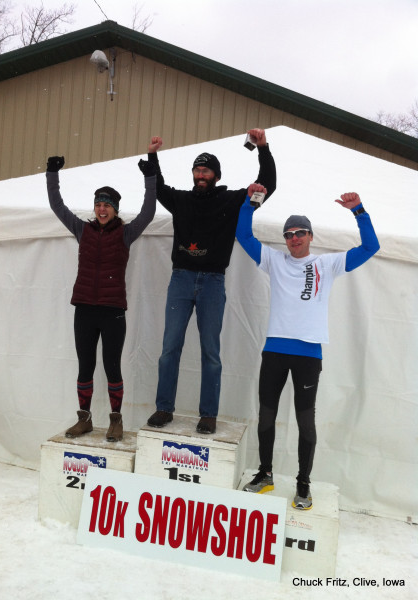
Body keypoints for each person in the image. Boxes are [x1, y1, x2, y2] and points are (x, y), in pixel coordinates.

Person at [235, 188, 380, 509]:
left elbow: (372, 246)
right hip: (274, 350)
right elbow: (242, 234)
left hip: (308, 354)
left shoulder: (327, 264)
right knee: (267, 417)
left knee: (305, 422)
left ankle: (303, 485)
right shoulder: (273, 260)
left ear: (311, 236)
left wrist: (359, 211)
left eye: (300, 232)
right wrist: (250, 203)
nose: (293, 238)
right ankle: (265, 474)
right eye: (288, 234)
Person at [145, 129, 276, 434]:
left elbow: (267, 185)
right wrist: (152, 156)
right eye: (197, 169)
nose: (200, 174)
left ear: (216, 175)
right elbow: (158, 189)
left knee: (211, 352)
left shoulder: (231, 201)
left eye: (206, 170)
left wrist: (263, 148)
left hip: (213, 282)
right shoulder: (181, 200)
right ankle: (164, 408)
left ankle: (209, 414)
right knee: (170, 348)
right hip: (181, 279)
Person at [46, 155, 156, 442]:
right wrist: (52, 174)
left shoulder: (126, 233)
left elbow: (148, 211)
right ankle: (84, 419)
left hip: (112, 311)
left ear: (115, 209)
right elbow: (57, 206)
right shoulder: (83, 230)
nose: (101, 209)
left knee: (112, 367)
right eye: (98, 204)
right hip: (84, 309)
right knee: (85, 366)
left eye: (107, 205)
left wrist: (150, 178)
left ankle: (115, 421)